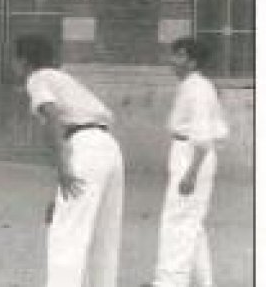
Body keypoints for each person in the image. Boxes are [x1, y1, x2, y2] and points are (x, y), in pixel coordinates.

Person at [12, 34, 123, 287]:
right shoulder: (63, 78)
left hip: (84, 146)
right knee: (103, 232)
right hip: (107, 146)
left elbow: (52, 115)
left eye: (15, 60)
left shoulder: (37, 78)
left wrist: (63, 165)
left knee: (67, 232)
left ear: (23, 60)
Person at [142, 37, 229, 287]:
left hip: (192, 155)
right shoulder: (193, 86)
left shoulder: (197, 89)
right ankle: (203, 282)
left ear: (193, 61)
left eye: (179, 55)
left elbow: (202, 136)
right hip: (187, 152)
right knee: (191, 221)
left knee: (177, 221)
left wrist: (191, 173)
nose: (172, 61)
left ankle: (169, 282)